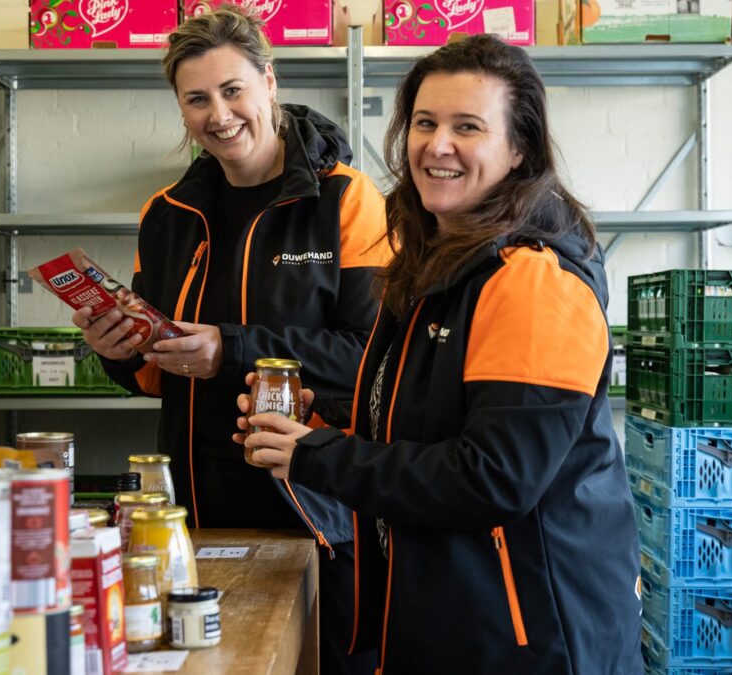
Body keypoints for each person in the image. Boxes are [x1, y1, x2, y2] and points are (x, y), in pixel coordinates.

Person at [237, 36, 644, 674]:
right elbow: (432, 422)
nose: (438, 145)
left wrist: (316, 456)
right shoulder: (439, 266)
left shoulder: (532, 281)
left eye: (468, 127)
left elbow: (491, 477)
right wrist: (324, 423)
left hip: (532, 638)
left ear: (518, 150)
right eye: (425, 123)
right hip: (454, 622)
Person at [73, 6, 391, 673]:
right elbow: (153, 373)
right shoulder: (167, 214)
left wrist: (233, 349)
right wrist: (117, 349)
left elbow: (373, 360)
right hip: (194, 521)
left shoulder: (348, 201)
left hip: (317, 517)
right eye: (196, 99)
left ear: (269, 82)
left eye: (232, 90)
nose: (218, 114)